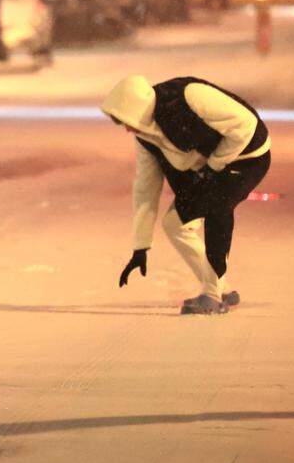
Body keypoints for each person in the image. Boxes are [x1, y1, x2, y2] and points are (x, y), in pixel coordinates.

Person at [101, 75, 272, 315]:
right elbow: (146, 187)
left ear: (137, 110)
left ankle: (212, 296)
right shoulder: (145, 138)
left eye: (126, 121)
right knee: (175, 223)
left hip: (249, 157)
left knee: (217, 208)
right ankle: (222, 289)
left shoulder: (189, 96)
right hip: (210, 168)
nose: (127, 129)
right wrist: (141, 246)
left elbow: (245, 124)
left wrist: (213, 165)